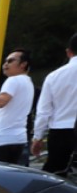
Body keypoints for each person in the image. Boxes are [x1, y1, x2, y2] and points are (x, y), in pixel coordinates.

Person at [31, 33, 77, 175]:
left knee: (55, 175)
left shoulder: (53, 76)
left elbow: (44, 111)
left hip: (60, 131)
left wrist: (38, 137)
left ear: (68, 52)